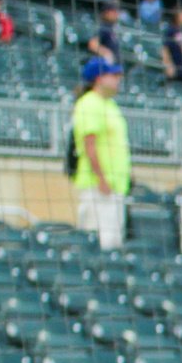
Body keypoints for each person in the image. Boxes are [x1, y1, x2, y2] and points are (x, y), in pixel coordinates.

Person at [72, 57, 130, 250]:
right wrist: (101, 179)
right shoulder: (89, 103)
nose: (117, 79)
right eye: (112, 75)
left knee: (113, 243)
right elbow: (90, 146)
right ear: (98, 78)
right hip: (99, 187)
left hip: (115, 186)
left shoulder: (110, 105)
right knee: (101, 242)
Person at [86, 2, 123, 67]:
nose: (116, 14)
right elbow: (92, 44)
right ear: (106, 13)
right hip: (104, 67)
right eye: (113, 11)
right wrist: (107, 53)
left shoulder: (111, 28)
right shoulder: (103, 27)